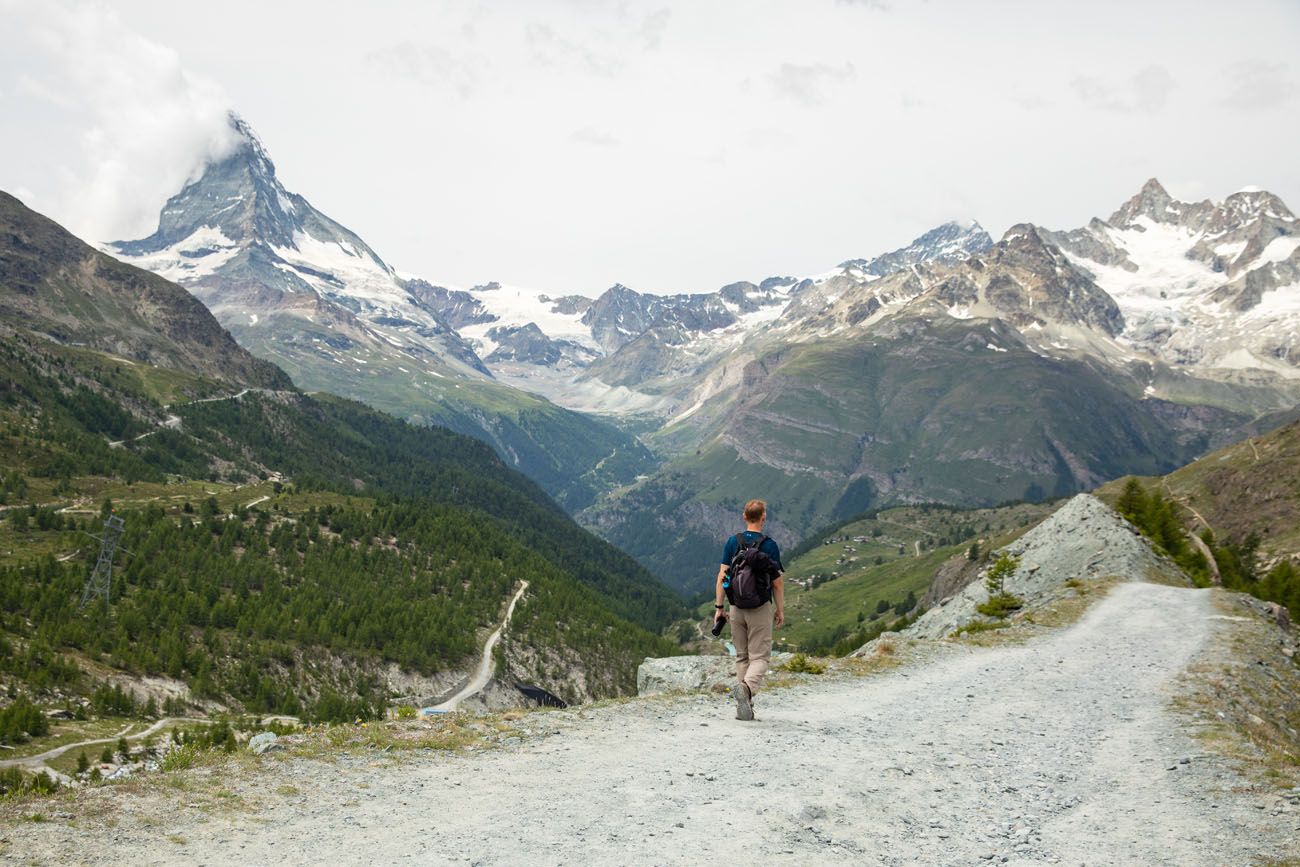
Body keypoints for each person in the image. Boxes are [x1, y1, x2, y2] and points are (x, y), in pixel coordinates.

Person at [713, 499, 784, 721]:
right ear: (763, 517)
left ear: (744, 517)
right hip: (760, 607)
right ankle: (746, 689)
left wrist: (719, 607)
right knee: (761, 657)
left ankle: (745, 706)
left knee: (742, 656)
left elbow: (722, 576)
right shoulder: (769, 545)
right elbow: (777, 583)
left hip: (736, 608)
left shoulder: (732, 542)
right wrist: (780, 609)